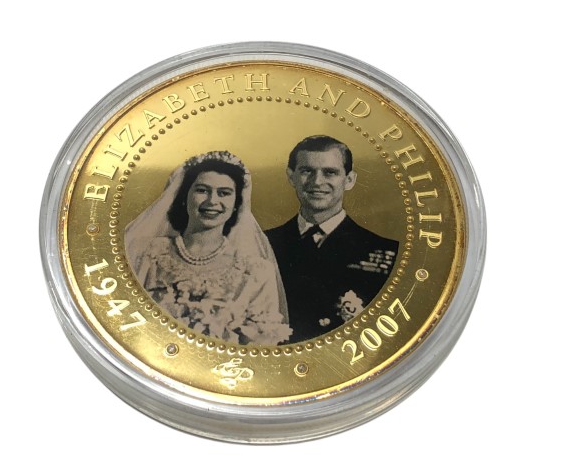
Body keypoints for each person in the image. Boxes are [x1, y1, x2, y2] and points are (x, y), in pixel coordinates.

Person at [125, 151, 292, 345]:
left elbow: (261, 346)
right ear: (184, 196)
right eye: (202, 190)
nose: (212, 201)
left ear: (236, 204)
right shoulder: (147, 253)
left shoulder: (256, 271)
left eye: (224, 193)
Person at [266, 136, 399, 342]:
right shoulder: (262, 243)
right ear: (291, 177)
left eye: (330, 172)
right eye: (307, 171)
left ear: (349, 180)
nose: (317, 182)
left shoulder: (386, 253)